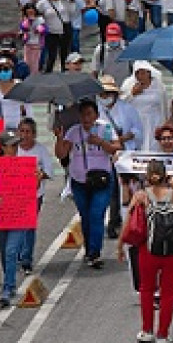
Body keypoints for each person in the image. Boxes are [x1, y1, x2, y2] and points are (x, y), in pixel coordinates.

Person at [118, 159, 173, 343]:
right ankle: (163, 334)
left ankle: (147, 331)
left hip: (148, 250)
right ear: (165, 176)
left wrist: (120, 246)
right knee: (169, 293)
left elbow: (128, 222)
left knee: (147, 290)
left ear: (147, 176)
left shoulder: (140, 195)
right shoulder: (172, 194)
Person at [54, 100, 122, 269]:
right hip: (79, 181)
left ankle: (95, 252)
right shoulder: (73, 132)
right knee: (86, 216)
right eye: (83, 114)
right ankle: (89, 248)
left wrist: (100, 142)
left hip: (102, 180)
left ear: (96, 115)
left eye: (89, 114)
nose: (86, 118)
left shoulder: (104, 128)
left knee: (96, 214)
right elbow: (61, 153)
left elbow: (116, 147)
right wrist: (59, 138)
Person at [99, 76, 143, 239]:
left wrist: (124, 138)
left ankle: (122, 222)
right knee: (107, 189)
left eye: (108, 93)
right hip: (102, 155)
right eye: (102, 94)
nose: (105, 97)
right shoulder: (96, 110)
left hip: (124, 155)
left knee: (123, 189)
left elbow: (139, 131)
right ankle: (111, 221)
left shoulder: (127, 109)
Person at [0, 130, 30, 308]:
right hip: (1, 215)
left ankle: (7, 287)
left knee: (10, 251)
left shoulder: (24, 165)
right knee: (3, 252)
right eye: (12, 145)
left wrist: (36, 179)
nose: (16, 148)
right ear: (2, 147)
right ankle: (10, 280)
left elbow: (31, 188)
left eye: (17, 144)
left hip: (19, 215)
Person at [16, 118, 54, 275]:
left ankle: (26, 260)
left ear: (34, 134)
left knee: (29, 226)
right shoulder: (13, 149)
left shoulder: (41, 150)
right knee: (17, 225)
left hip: (34, 194)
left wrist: (39, 175)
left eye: (28, 132)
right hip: (16, 194)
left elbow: (49, 172)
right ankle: (17, 255)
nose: (25, 135)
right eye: (22, 131)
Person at [120, 62, 168, 153]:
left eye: (142, 73)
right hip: (136, 122)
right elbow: (121, 103)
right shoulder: (128, 84)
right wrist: (132, 94)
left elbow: (164, 106)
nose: (140, 76)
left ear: (149, 72)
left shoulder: (159, 86)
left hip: (154, 122)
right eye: (137, 73)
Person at [0, 56, 32, 129]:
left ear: (12, 70)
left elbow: (28, 107)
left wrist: (30, 124)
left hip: (16, 126)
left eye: (6, 69)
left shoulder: (20, 85)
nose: (2, 72)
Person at [37, 0, 73, 73]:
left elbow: (71, 11)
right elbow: (36, 13)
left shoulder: (64, 0)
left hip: (65, 30)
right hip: (51, 32)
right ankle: (48, 74)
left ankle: (65, 74)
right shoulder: (43, 3)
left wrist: (72, 0)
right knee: (51, 55)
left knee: (65, 54)